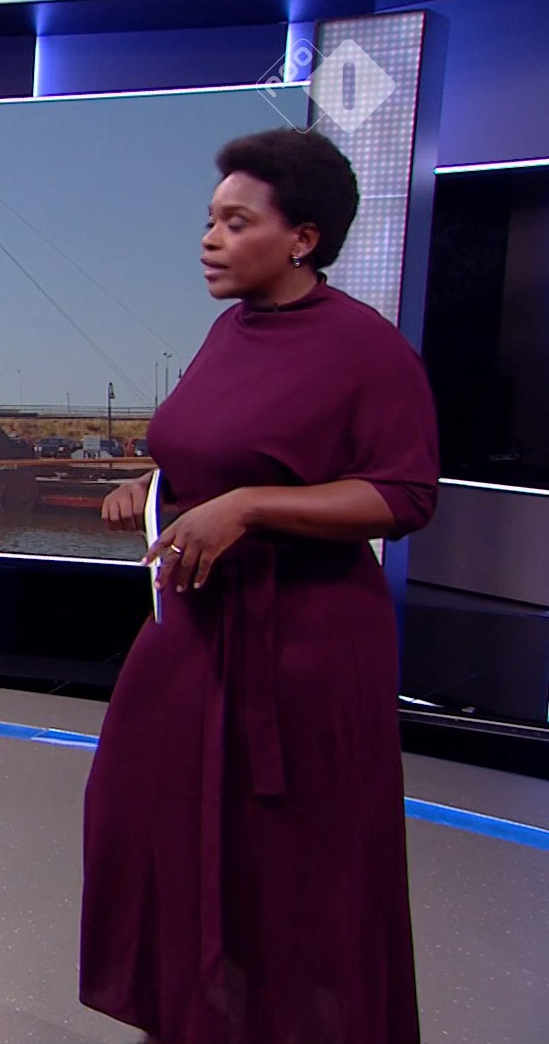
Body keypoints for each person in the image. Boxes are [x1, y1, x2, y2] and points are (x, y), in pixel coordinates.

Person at [81, 129, 439, 1044]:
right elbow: (219, 452)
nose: (210, 239)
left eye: (236, 223)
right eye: (210, 220)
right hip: (193, 632)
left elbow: (404, 495)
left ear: (303, 239)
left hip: (304, 649)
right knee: (147, 818)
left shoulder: (367, 350)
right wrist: (153, 489)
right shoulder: (228, 330)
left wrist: (249, 507)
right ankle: (194, 1017)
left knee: (285, 862)